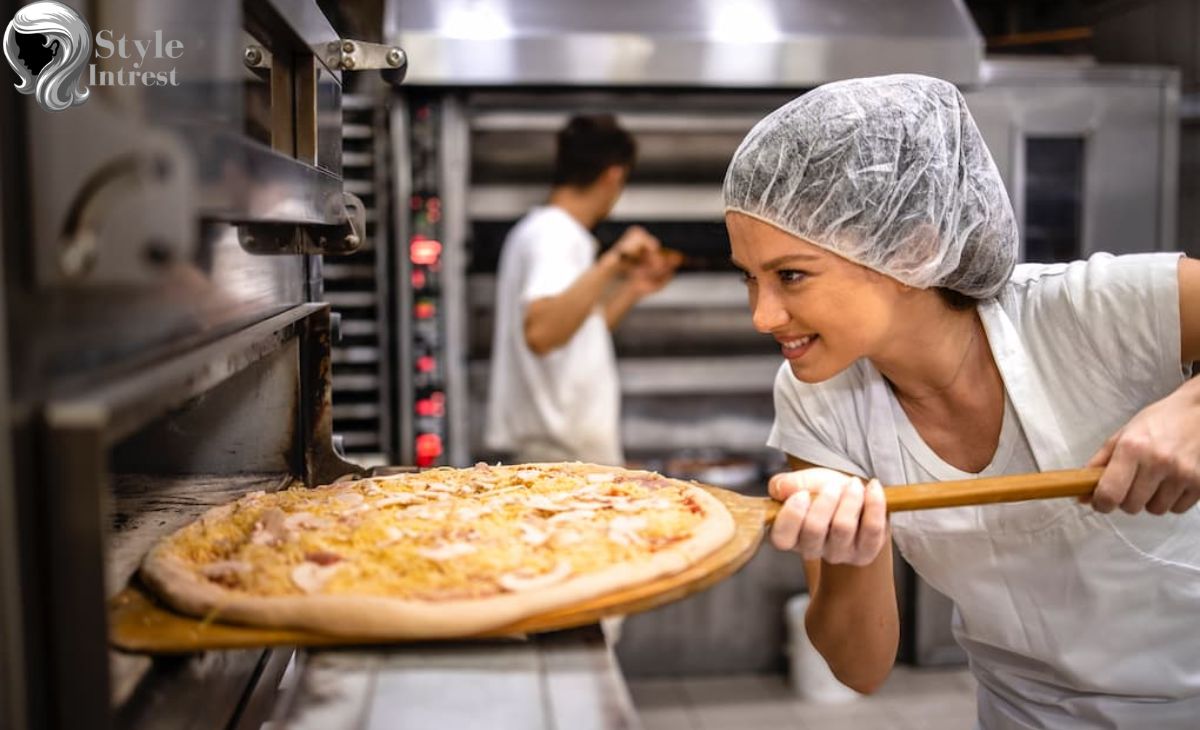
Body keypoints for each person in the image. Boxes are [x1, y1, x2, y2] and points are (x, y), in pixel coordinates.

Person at [723, 74, 1200, 729]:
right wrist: (852, 552)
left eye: (791, 275)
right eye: (749, 278)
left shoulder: (1091, 310)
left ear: (912, 247)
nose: (761, 314)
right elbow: (859, 669)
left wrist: (1193, 410)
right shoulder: (819, 397)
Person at [486, 114, 678, 466]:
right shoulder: (554, 235)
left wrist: (633, 288)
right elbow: (542, 333)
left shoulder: (544, 230)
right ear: (614, 175)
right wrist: (613, 261)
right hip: (562, 461)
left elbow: (577, 331)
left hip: (566, 454)